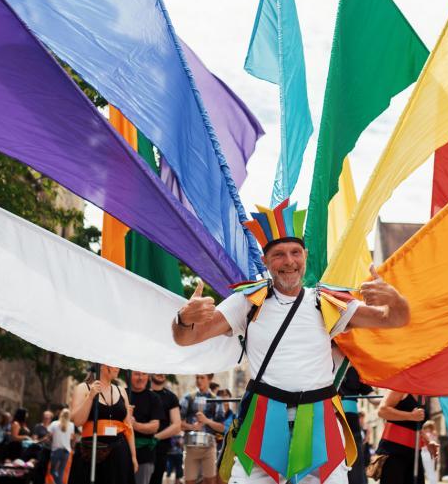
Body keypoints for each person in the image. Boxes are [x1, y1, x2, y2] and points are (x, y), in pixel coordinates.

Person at [172, 201, 410, 484]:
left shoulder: (327, 302)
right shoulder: (246, 302)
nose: (289, 261)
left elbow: (394, 320)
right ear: (265, 261)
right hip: (263, 424)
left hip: (319, 424)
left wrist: (396, 301)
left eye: (295, 252)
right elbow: (187, 337)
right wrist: (183, 318)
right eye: (279, 254)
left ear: (305, 256)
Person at [68, 364, 137, 484]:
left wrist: (133, 456)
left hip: (119, 451)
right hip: (92, 451)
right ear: (103, 365)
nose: (118, 368)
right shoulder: (83, 388)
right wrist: (90, 397)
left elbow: (128, 426)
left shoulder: (121, 390)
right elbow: (78, 421)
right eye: (115, 364)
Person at [179, 374, 224, 484]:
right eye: (197, 377)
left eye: (202, 378)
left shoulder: (216, 400)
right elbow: (177, 422)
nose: (199, 380)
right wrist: (191, 427)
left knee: (210, 481)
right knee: (189, 481)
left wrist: (207, 421)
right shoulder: (188, 398)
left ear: (209, 379)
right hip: (190, 445)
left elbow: (222, 427)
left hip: (209, 446)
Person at [376, 391, 429, 484]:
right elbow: (382, 411)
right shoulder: (400, 387)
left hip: (414, 453)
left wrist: (428, 442)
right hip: (394, 451)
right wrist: (411, 416)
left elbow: (415, 426)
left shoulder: (422, 393)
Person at [339, 367, 373, 484]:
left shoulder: (357, 371)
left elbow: (373, 397)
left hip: (352, 427)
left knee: (356, 465)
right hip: (331, 423)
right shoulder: (325, 364)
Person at [129, 371, 163, 484]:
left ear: (148, 377)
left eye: (143, 374)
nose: (140, 378)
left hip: (144, 455)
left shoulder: (154, 398)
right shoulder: (121, 394)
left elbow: (154, 427)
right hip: (122, 452)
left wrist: (134, 424)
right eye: (137, 374)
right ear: (130, 375)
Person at [149, 374, 181, 484]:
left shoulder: (171, 397)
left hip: (160, 448)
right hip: (138, 447)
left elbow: (177, 426)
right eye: (157, 370)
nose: (160, 373)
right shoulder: (140, 392)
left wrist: (156, 437)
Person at [48, 408, 74, 484]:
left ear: (61, 414)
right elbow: (72, 438)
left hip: (56, 450)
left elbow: (49, 435)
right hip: (66, 451)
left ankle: (58, 482)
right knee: (61, 471)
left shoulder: (54, 423)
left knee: (52, 470)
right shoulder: (71, 425)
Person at [31, 410, 54, 484]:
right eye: (45, 417)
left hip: (51, 452)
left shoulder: (53, 427)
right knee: (40, 472)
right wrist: (44, 439)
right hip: (40, 452)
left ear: (51, 418)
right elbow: (34, 440)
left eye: (48, 418)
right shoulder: (38, 427)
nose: (46, 419)